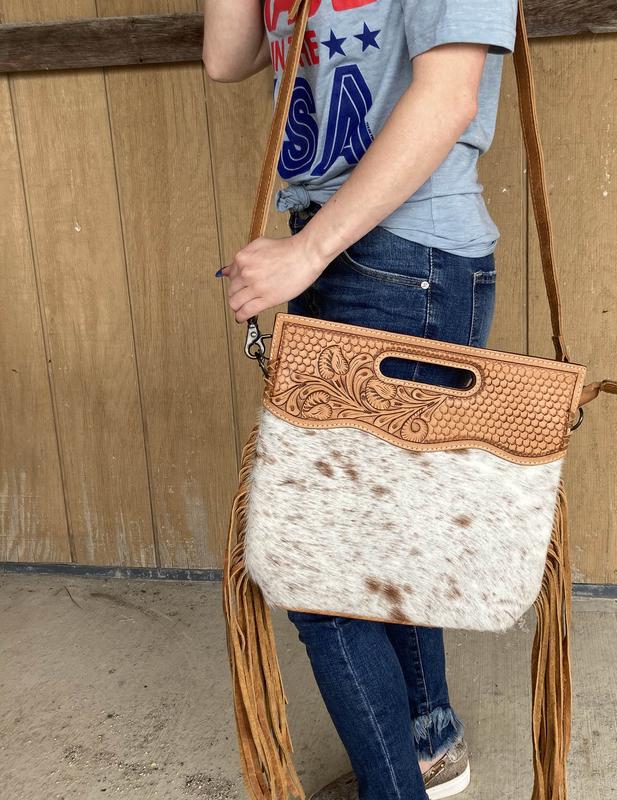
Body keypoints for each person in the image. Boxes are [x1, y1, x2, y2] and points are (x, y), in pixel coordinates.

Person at [203, 2, 518, 798]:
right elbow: (226, 55)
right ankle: (426, 745)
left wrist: (306, 252)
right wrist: (309, 251)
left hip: (401, 256)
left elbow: (449, 97)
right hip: (340, 246)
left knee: (320, 571)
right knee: (385, 551)